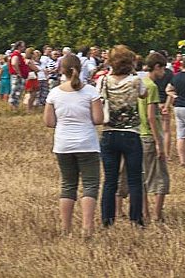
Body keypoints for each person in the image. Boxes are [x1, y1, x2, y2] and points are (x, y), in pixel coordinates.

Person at [44, 53, 103, 235]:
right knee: (90, 185)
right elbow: (98, 118)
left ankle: (66, 228)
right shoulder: (91, 92)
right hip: (87, 143)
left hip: (63, 144)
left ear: (61, 70)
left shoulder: (54, 93)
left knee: (68, 185)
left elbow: (49, 122)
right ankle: (87, 228)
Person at [98, 45, 146, 227]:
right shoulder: (135, 81)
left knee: (110, 179)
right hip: (131, 133)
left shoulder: (103, 80)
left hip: (109, 131)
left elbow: (100, 98)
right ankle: (136, 219)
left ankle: (107, 219)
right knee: (134, 179)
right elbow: (144, 94)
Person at [138, 51, 170, 223]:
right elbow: (151, 116)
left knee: (143, 175)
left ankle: (145, 213)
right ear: (156, 67)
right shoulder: (152, 87)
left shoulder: (140, 83)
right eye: (163, 69)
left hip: (140, 134)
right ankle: (157, 214)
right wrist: (159, 142)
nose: (164, 73)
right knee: (160, 177)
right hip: (151, 135)